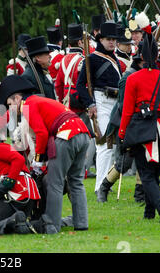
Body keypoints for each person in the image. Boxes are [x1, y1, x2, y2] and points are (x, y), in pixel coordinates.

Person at [0, 75, 91, 234]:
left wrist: (38, 161)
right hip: (83, 133)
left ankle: (52, 225)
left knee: (55, 183)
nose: (10, 109)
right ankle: (81, 222)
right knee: (76, 181)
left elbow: (41, 133)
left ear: (17, 98)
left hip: (66, 135)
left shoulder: (28, 104)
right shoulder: (38, 101)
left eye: (9, 104)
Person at [118, 22, 160, 222]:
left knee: (145, 174)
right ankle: (149, 213)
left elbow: (127, 111)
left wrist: (121, 134)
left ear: (142, 56)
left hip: (141, 128)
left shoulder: (133, 79)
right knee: (153, 173)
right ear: (156, 56)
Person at [76, 20, 123, 194]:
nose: (111, 42)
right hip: (100, 102)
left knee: (112, 146)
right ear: (100, 39)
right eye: (107, 39)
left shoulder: (115, 59)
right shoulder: (92, 58)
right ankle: (99, 187)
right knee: (103, 145)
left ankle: (105, 184)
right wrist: (90, 104)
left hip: (114, 102)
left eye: (113, 39)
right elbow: (80, 85)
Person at [97, 41, 146, 202]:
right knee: (124, 162)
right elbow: (125, 105)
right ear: (140, 60)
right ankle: (103, 188)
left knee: (144, 158)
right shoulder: (128, 77)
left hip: (141, 121)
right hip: (128, 122)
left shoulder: (145, 74)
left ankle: (140, 195)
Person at [54, 22, 96, 178]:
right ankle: (83, 168)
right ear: (80, 42)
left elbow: (58, 84)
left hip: (66, 103)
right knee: (87, 137)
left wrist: (61, 101)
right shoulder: (81, 60)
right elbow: (85, 84)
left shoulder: (63, 59)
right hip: (79, 103)